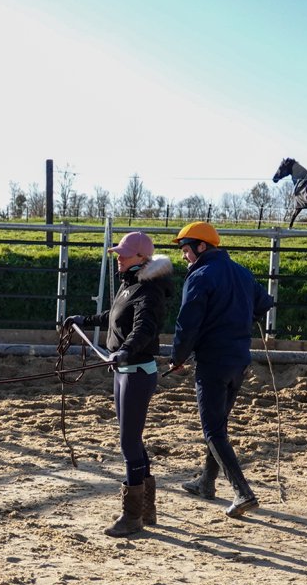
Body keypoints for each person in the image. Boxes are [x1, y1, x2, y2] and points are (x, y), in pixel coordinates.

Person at [64, 231, 174, 537]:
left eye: (124, 254)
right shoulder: (130, 285)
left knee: (128, 442)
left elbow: (144, 329)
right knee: (133, 439)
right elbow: (115, 317)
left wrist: (125, 350)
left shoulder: (149, 291)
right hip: (124, 370)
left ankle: (132, 516)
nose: (119, 258)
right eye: (118, 254)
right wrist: (84, 320)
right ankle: (146, 509)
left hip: (136, 370)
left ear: (141, 258)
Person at [167, 221, 274, 518]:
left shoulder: (199, 276)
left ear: (202, 246)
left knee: (213, 429)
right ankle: (206, 482)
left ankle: (243, 493)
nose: (184, 255)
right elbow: (265, 302)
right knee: (219, 424)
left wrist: (177, 357)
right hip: (239, 360)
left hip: (212, 362)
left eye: (186, 249)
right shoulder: (241, 272)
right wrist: (244, 316)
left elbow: (187, 323)